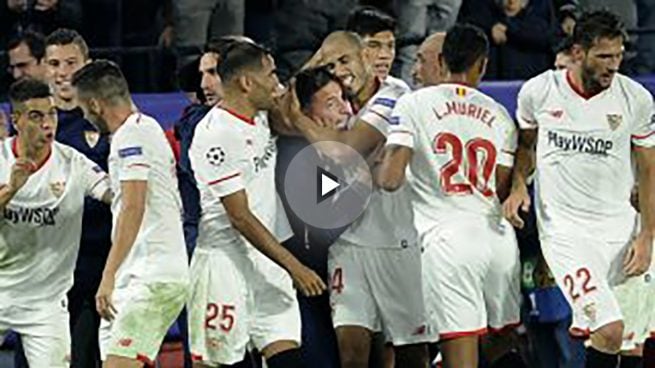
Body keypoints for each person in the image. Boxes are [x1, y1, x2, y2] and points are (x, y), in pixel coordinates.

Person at [503, 10, 655, 368]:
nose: (613, 65)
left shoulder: (635, 98)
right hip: (566, 234)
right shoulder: (539, 92)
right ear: (577, 53)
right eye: (603, 56)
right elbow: (526, 145)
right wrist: (518, 186)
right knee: (609, 329)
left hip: (622, 231)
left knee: (630, 343)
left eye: (618, 56)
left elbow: (649, 169)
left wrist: (648, 233)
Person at [377, 23, 521, 368]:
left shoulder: (414, 103)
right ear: (483, 65)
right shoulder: (500, 115)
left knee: (460, 351)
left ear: (441, 61)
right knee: (504, 335)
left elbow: (390, 179)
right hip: (497, 240)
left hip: (446, 243)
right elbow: (500, 187)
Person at [291, 31, 430, 368]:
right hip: (349, 245)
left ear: (366, 58)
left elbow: (347, 152)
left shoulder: (394, 94)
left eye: (344, 60)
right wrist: (311, 66)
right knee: (351, 351)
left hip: (398, 243)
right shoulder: (338, 104)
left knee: (411, 353)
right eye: (330, 65)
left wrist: (303, 122)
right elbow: (284, 103)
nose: (339, 70)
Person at [187, 42, 326, 368]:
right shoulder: (216, 134)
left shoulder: (261, 116)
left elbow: (299, 114)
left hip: (268, 264)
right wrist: (294, 266)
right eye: (270, 74)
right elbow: (240, 217)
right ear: (247, 83)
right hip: (225, 268)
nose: (275, 81)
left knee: (288, 358)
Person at [72, 60, 190, 368]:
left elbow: (133, 207)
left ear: (96, 103)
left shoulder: (132, 136)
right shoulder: (140, 130)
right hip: (137, 274)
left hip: (152, 276)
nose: (83, 115)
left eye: (83, 106)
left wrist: (107, 275)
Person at [0, 77, 111, 368]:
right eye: (36, 116)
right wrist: (10, 190)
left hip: (46, 305)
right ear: (17, 120)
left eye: (51, 113)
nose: (48, 123)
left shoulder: (74, 163)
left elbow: (116, 196)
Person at [45, 28, 113, 368]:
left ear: (87, 64)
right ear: (44, 68)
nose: (63, 71)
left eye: (71, 62)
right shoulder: (39, 127)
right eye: (54, 63)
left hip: (106, 262)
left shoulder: (109, 122)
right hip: (56, 266)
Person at [275, 65, 352, 368]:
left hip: (332, 280)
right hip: (310, 283)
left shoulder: (321, 150)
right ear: (305, 112)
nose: (345, 110)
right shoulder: (297, 155)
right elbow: (323, 223)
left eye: (343, 99)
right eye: (331, 104)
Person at [346, 6, 405, 88]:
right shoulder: (329, 90)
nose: (385, 55)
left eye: (390, 46)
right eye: (373, 46)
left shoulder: (400, 91)